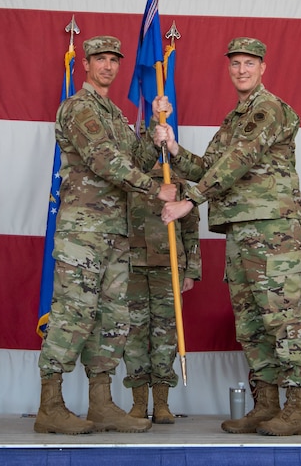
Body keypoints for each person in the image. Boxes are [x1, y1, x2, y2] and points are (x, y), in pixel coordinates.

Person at [156, 37, 301, 436]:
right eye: (235, 64)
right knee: (252, 323)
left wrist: (189, 201)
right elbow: (210, 165)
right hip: (242, 230)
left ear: (263, 67)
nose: (241, 70)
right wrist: (173, 146)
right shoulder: (234, 118)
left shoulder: (268, 108)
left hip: (273, 229)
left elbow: (238, 162)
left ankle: (295, 410)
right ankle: (267, 405)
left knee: (282, 319)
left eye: (249, 63)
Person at [34, 35, 176, 435]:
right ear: (87, 64)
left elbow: (135, 160)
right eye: (100, 59)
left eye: (114, 60)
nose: (108, 66)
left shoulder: (114, 112)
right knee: (73, 314)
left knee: (113, 319)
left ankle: (101, 404)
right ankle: (50, 406)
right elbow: (105, 160)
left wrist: (155, 130)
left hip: (115, 232)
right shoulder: (79, 108)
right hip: (84, 232)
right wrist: (154, 189)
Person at [123, 161, 202, 424]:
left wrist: (191, 271)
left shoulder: (178, 183)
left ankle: (161, 404)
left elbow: (190, 231)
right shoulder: (128, 178)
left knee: (166, 334)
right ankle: (138, 404)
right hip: (130, 265)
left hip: (168, 267)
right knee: (133, 334)